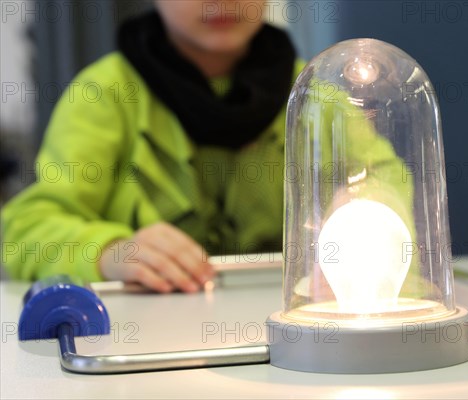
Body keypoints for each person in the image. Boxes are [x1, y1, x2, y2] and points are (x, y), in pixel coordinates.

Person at [1, 0, 303, 293]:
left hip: (292, 326)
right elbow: (25, 229)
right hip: (134, 334)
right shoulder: (104, 94)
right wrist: (110, 251)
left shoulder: (315, 90)